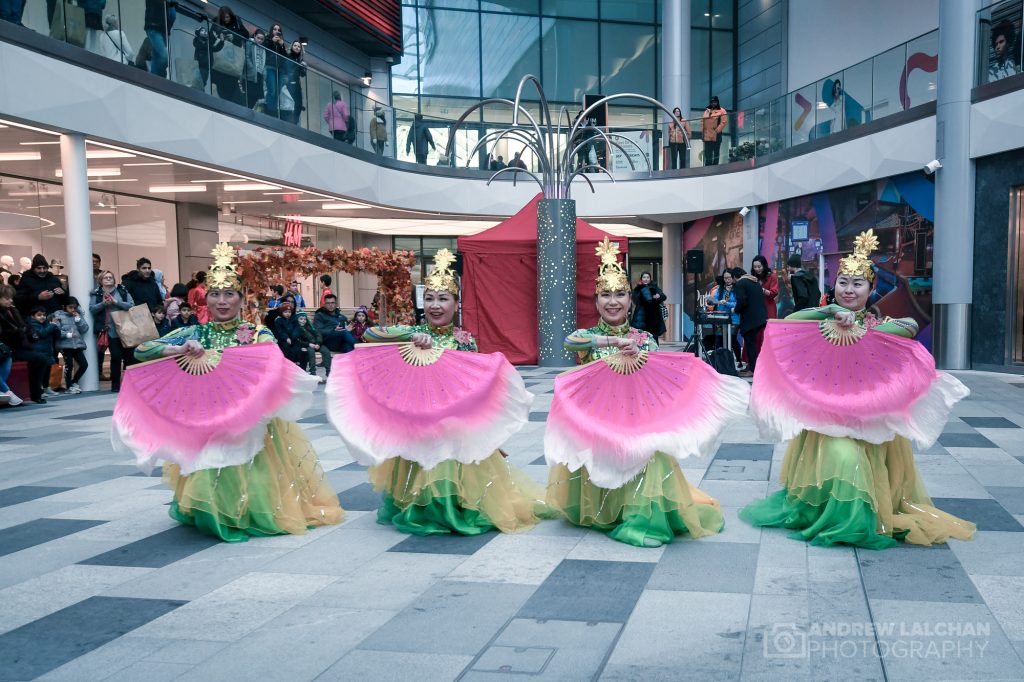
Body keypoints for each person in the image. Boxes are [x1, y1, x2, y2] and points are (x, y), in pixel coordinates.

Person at [740, 230, 976, 549]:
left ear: (871, 288)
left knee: (862, 467)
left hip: (869, 419)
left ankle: (863, 516)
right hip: (828, 420)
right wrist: (826, 312)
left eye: (857, 283)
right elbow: (788, 323)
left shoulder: (879, 325)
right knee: (844, 460)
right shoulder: (823, 323)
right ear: (834, 285)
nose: (848, 290)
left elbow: (910, 325)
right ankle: (840, 518)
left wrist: (863, 327)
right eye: (843, 282)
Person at [133, 243, 343, 542]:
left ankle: (249, 509)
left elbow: (273, 359)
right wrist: (179, 348)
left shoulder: (256, 331)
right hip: (208, 414)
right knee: (210, 465)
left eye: (229, 294)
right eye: (215, 294)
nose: (222, 301)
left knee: (252, 466)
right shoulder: (196, 331)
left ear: (241, 299)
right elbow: (142, 349)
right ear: (206, 298)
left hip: (249, 415)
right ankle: (215, 509)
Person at [545, 238, 725, 547]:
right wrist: (611, 343)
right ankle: (606, 508)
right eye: (605, 295)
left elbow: (662, 385)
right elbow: (569, 342)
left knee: (651, 460)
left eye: (619, 294)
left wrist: (636, 350)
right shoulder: (587, 336)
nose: (612, 301)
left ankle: (638, 514)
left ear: (631, 299)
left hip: (636, 421)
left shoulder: (645, 339)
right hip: (596, 425)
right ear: (595, 300)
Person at [360, 249, 547, 535]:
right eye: (430, 299)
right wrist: (409, 336)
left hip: (454, 422)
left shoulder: (464, 340)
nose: (436, 306)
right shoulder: (412, 332)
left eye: (443, 299)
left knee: (452, 467)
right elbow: (369, 335)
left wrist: (490, 436)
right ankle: (424, 507)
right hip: (418, 421)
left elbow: (477, 388)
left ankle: (451, 508)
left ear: (456, 304)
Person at [1, 287, 48, 404]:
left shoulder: (13, 311)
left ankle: (36, 392)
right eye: (7, 298)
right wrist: (18, 332)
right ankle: (32, 393)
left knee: (41, 359)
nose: (10, 301)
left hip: (17, 346)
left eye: (11, 298)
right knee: (38, 358)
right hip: (7, 348)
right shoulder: (3, 313)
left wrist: (29, 332)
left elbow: (23, 326)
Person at [90, 271, 134, 393]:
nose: (109, 279)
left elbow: (131, 305)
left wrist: (116, 302)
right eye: (106, 277)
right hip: (110, 330)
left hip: (126, 328)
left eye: (111, 277)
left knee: (129, 357)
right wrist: (103, 304)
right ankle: (115, 385)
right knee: (116, 356)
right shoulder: (97, 294)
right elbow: (92, 309)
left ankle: (128, 382)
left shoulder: (122, 291)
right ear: (101, 280)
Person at [730, 266, 768, 373]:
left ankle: (753, 369)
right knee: (753, 344)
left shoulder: (740, 283)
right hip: (761, 317)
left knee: (750, 344)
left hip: (751, 319)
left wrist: (735, 310)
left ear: (734, 277)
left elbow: (742, 301)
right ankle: (753, 366)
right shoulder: (754, 282)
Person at [210, 5, 249, 107]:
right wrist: (219, 36)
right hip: (220, 60)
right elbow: (211, 37)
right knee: (219, 89)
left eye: (227, 17)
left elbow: (246, 34)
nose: (226, 20)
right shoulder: (216, 21)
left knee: (234, 92)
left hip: (233, 61)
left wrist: (233, 36)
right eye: (224, 18)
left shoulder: (236, 21)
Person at [53, 297, 90, 394]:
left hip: (77, 345)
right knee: (69, 365)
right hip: (65, 345)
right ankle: (68, 386)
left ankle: (74, 382)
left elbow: (85, 329)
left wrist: (78, 320)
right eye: (70, 307)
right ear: (64, 307)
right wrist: (68, 335)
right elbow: (56, 330)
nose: (73, 310)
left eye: (75, 307)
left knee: (84, 365)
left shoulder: (77, 315)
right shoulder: (58, 316)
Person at [26, 306, 60, 398]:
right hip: (38, 351)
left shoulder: (46, 323)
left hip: (47, 351)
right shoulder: (33, 324)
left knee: (47, 371)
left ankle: (46, 387)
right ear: (33, 316)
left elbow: (56, 335)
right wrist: (52, 325)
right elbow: (42, 333)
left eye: (44, 315)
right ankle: (39, 389)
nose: (42, 317)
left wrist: (55, 326)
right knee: (39, 372)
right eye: (39, 315)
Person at [629, 271, 667, 339]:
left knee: (654, 337)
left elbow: (664, 296)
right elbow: (635, 300)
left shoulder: (655, 287)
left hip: (653, 316)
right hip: (641, 316)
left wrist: (658, 296)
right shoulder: (638, 289)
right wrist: (644, 291)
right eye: (644, 277)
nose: (646, 279)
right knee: (641, 337)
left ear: (650, 279)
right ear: (641, 279)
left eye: (647, 277)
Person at [143, 0, 175, 77]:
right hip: (153, 27)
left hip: (164, 30)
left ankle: (154, 78)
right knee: (164, 56)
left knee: (157, 56)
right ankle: (158, 78)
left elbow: (173, 16)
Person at [262, 21, 287, 117]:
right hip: (270, 67)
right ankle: (269, 111)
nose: (277, 31)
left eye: (279, 30)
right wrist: (272, 41)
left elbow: (285, 58)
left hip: (280, 70)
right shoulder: (268, 39)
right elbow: (264, 48)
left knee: (277, 92)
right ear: (271, 30)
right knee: (271, 90)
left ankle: (273, 111)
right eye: (275, 29)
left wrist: (282, 46)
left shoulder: (281, 42)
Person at [296, 311, 328, 381]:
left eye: (304, 319)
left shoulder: (310, 326)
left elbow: (318, 334)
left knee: (326, 351)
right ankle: (312, 371)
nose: (303, 321)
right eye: (301, 319)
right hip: (308, 345)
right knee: (310, 352)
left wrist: (318, 343)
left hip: (316, 344)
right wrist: (309, 344)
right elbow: (298, 341)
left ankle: (328, 372)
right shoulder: (297, 329)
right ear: (296, 319)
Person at [281, 40, 307, 125]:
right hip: (288, 83)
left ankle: (294, 123)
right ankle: (287, 122)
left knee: (298, 105)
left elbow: (302, 75)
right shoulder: (288, 56)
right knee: (289, 104)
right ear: (292, 46)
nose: (297, 47)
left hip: (296, 84)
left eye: (299, 46)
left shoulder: (300, 60)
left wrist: (303, 67)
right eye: (295, 45)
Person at [750, 255, 779, 320]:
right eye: (755, 267)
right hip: (756, 308)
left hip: (768, 307)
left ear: (764, 266)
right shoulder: (752, 277)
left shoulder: (772, 276)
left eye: (759, 266)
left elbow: (774, 292)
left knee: (769, 328)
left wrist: (762, 290)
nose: (757, 269)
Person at [701, 96, 727, 166]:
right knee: (707, 153)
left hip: (716, 135)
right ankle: (707, 168)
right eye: (712, 102)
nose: (713, 103)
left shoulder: (722, 110)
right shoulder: (706, 111)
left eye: (715, 102)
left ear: (717, 102)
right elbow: (702, 123)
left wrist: (717, 131)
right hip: (707, 135)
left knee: (716, 152)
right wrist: (702, 133)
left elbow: (723, 122)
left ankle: (715, 168)